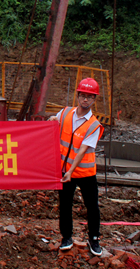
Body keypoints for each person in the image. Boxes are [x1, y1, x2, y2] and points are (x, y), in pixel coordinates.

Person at [54, 77, 105, 256]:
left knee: (92, 206)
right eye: (83, 95)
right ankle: (66, 237)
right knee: (65, 205)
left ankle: (94, 239)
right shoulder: (65, 113)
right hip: (64, 171)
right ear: (78, 96)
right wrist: (51, 120)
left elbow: (83, 150)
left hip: (85, 172)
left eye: (90, 97)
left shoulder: (94, 125)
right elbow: (54, 121)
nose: (85, 99)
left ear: (94, 100)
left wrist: (70, 171)